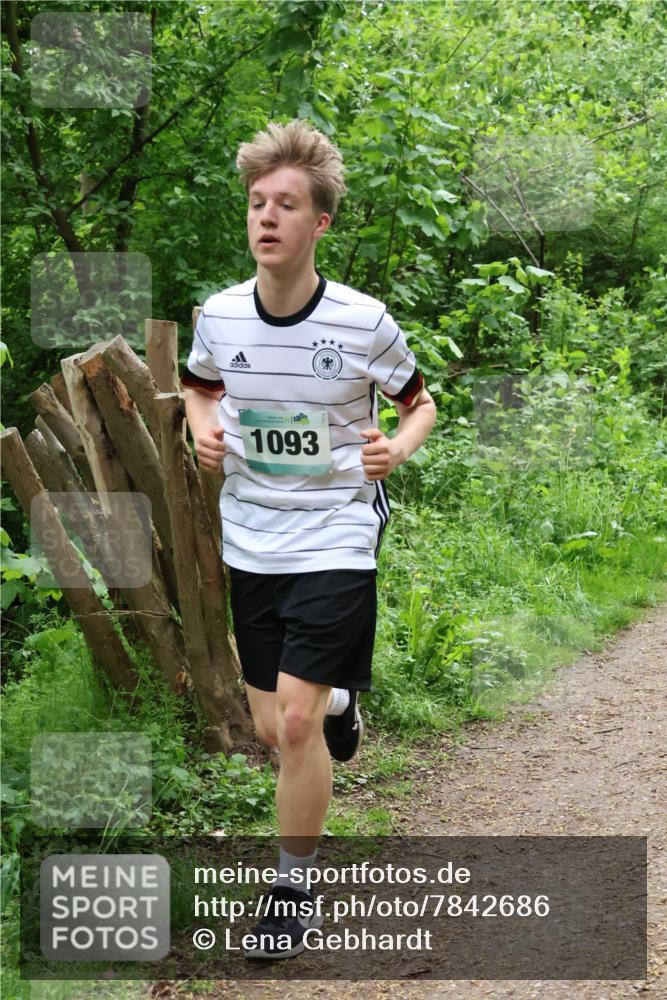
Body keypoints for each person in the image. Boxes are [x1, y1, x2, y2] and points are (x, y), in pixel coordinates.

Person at [181, 120, 436, 959]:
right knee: (273, 725)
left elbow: (418, 403)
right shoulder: (219, 314)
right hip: (250, 536)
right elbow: (199, 385)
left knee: (291, 728)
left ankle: (292, 890)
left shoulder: (363, 323)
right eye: (257, 203)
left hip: (335, 532)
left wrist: (393, 448)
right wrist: (202, 429)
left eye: (286, 204)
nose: (267, 217)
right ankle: (338, 700)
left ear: (317, 222)